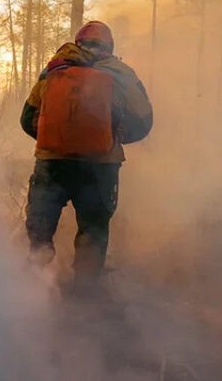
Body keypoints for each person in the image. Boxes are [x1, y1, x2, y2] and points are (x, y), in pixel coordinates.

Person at [20, 20, 153, 294]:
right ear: (110, 47)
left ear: (78, 43)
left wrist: (55, 140)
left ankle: (36, 291)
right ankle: (84, 300)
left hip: (52, 163)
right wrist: (113, 138)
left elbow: (27, 118)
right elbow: (144, 120)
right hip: (100, 167)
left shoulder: (55, 68)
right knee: (93, 231)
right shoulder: (121, 73)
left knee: (41, 229)